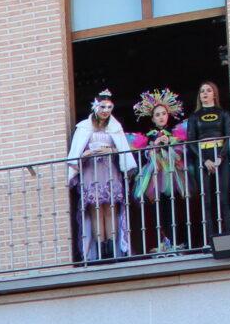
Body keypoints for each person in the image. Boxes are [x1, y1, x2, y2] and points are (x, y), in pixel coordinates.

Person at [67, 91, 135, 262]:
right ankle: (100, 250)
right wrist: (87, 153)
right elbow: (76, 153)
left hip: (110, 171)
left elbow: (122, 149)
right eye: (103, 107)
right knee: (96, 210)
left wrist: (110, 150)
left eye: (109, 107)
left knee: (110, 209)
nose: (106, 110)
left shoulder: (115, 127)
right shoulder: (83, 127)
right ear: (95, 107)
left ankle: (112, 249)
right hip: (91, 172)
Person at [131, 87, 192, 252]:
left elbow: (181, 152)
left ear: (168, 115)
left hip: (172, 173)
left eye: (163, 114)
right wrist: (155, 145)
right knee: (158, 208)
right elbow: (144, 154)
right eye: (157, 115)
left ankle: (176, 240)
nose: (161, 117)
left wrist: (170, 142)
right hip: (154, 175)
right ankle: (163, 241)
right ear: (152, 118)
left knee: (174, 206)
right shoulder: (149, 135)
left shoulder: (174, 133)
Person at [182, 81, 230, 239]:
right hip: (203, 158)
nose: (205, 93)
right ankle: (210, 239)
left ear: (214, 94)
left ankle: (229, 236)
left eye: (208, 90)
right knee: (205, 199)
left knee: (224, 197)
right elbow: (191, 141)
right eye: (202, 91)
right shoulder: (194, 117)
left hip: (221, 157)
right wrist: (204, 160)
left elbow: (229, 137)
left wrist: (220, 157)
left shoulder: (223, 113)